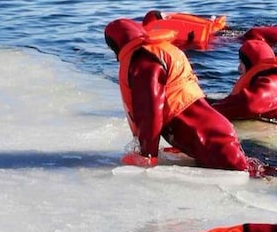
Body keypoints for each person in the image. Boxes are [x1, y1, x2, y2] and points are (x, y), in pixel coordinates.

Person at [103, 18, 251, 172]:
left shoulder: (144, 61)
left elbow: (150, 111)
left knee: (252, 173)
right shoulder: (159, 51)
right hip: (210, 133)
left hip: (210, 139)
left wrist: (147, 155)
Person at [142, 10, 277, 51]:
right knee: (252, 34)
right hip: (216, 44)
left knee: (253, 33)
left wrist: (215, 25)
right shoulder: (157, 33)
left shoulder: (167, 24)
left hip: (216, 38)